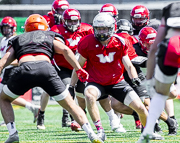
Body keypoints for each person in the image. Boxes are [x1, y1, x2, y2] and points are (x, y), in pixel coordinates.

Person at [0, 14, 103, 143]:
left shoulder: (18, 38)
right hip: (46, 69)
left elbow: (3, 62)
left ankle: (13, 133)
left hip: (24, 69)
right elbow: (65, 50)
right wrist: (78, 68)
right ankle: (92, 134)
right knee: (71, 105)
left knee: (3, 98)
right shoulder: (49, 35)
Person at [70, 12, 149, 142]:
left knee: (140, 107)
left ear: (112, 28)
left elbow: (128, 65)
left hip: (117, 82)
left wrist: (134, 78)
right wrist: (71, 85)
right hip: (96, 82)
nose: (101, 32)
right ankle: (100, 130)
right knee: (89, 95)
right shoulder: (87, 42)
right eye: (99, 28)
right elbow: (79, 66)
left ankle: (147, 133)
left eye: (104, 28)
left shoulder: (120, 42)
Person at [136, 1, 180, 142]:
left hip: (170, 47)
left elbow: (153, 49)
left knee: (159, 94)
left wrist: (149, 79)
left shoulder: (170, 9)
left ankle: (148, 131)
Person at [37, 8, 94, 131]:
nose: (73, 24)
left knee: (82, 93)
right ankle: (71, 119)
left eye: (75, 21)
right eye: (70, 21)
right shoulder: (56, 30)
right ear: (64, 21)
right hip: (62, 65)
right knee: (68, 87)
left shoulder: (87, 29)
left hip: (80, 67)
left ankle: (76, 117)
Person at [0, 16, 40, 126]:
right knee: (4, 96)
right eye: (4, 28)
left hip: (13, 70)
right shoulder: (3, 40)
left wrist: (4, 64)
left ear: (13, 28)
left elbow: (20, 59)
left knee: (3, 96)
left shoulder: (16, 40)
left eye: (8, 28)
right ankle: (32, 108)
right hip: (6, 71)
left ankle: (30, 108)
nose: (5, 30)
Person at [41, 0, 71, 129]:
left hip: (64, 57)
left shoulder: (70, 19)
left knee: (68, 87)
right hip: (50, 55)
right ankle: (41, 114)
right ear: (54, 11)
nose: (62, 13)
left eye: (64, 10)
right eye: (60, 10)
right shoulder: (47, 20)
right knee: (47, 89)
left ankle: (66, 116)